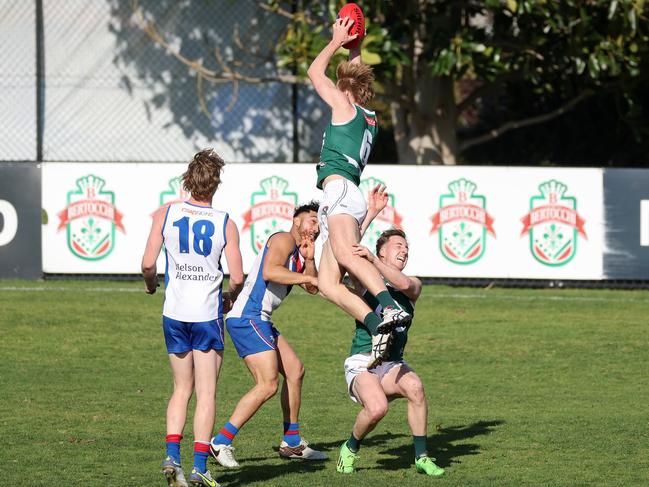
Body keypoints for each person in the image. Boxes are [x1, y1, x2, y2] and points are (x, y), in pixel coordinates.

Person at [307, 15, 410, 368]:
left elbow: (313, 73)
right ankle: (376, 322)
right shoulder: (369, 117)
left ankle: (389, 307)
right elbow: (355, 78)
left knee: (350, 256)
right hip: (347, 192)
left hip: (339, 190)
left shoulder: (343, 105)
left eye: (341, 86)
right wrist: (356, 47)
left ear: (346, 92)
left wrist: (336, 41)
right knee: (327, 283)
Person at [142, 149, 244, 487]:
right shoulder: (225, 222)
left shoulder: (166, 214)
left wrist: (151, 285)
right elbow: (239, 277)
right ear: (215, 185)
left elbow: (147, 264)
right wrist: (229, 297)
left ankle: (173, 455)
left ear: (188, 179)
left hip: (174, 313)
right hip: (206, 314)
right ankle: (200, 465)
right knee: (207, 392)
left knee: (180, 388)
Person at [209, 201, 327, 468]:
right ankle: (220, 442)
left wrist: (310, 261)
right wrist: (309, 278)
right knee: (268, 384)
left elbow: (311, 287)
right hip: (248, 318)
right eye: (311, 220)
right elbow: (270, 271)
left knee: (295, 371)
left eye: (319, 223)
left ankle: (292, 442)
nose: (316, 227)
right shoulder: (284, 239)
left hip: (260, 319)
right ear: (296, 220)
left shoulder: (300, 251)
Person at [336, 229, 445, 477]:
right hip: (363, 362)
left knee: (415, 387)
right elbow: (344, 252)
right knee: (377, 410)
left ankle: (422, 457)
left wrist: (373, 261)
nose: (404, 251)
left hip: (392, 363)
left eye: (406, 248)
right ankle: (350, 447)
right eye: (398, 245)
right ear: (381, 251)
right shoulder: (366, 281)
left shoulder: (412, 285)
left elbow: (405, 283)